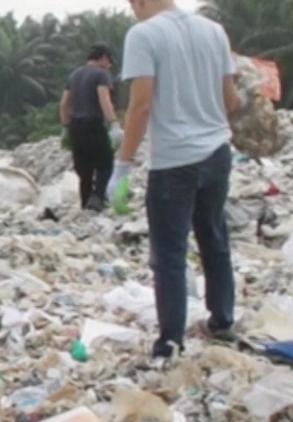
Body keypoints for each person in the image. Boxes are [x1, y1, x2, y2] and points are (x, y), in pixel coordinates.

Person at [107, 0, 244, 359]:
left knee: (168, 255)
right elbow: (231, 100)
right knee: (214, 238)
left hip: (174, 163)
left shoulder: (143, 35)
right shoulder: (214, 31)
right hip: (217, 153)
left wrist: (123, 166)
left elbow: (141, 106)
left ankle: (169, 342)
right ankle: (222, 321)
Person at [59, 43, 124, 211]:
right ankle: (98, 197)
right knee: (105, 163)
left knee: (84, 168)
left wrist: (66, 125)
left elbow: (64, 104)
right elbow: (105, 100)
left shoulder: (74, 75)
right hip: (92, 124)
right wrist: (114, 124)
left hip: (75, 126)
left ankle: (85, 203)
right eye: (109, 61)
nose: (109, 66)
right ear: (103, 58)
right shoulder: (101, 75)